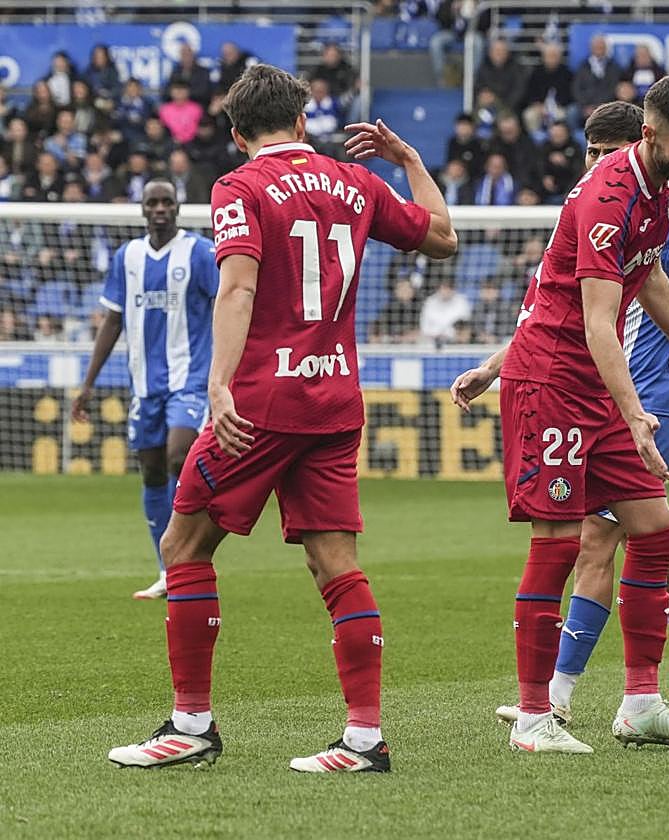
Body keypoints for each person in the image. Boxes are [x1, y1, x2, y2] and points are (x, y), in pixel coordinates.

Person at [106, 64, 457, 773]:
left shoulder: (239, 187)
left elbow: (236, 288)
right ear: (301, 122)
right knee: (336, 564)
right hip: (335, 400)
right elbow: (443, 238)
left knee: (182, 547)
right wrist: (413, 160)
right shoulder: (356, 182)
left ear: (237, 135)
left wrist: (219, 385)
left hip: (264, 402)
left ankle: (192, 726)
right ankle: (364, 740)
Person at [453, 100, 669, 730]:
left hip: (614, 396)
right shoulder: (605, 199)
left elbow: (650, 281)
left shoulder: (662, 205)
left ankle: (644, 700)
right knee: (567, 543)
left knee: (654, 533)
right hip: (566, 388)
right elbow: (593, 322)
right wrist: (629, 414)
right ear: (650, 139)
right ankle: (543, 711)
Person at [72, 181, 218, 600]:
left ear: (178, 207)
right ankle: (168, 568)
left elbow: (228, 302)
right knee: (152, 469)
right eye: (152, 202)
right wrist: (87, 384)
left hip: (190, 381)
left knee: (178, 455)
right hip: (145, 386)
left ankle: (192, 550)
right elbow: (112, 321)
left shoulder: (200, 253)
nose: (159, 209)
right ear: (142, 209)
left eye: (166, 202)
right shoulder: (127, 257)